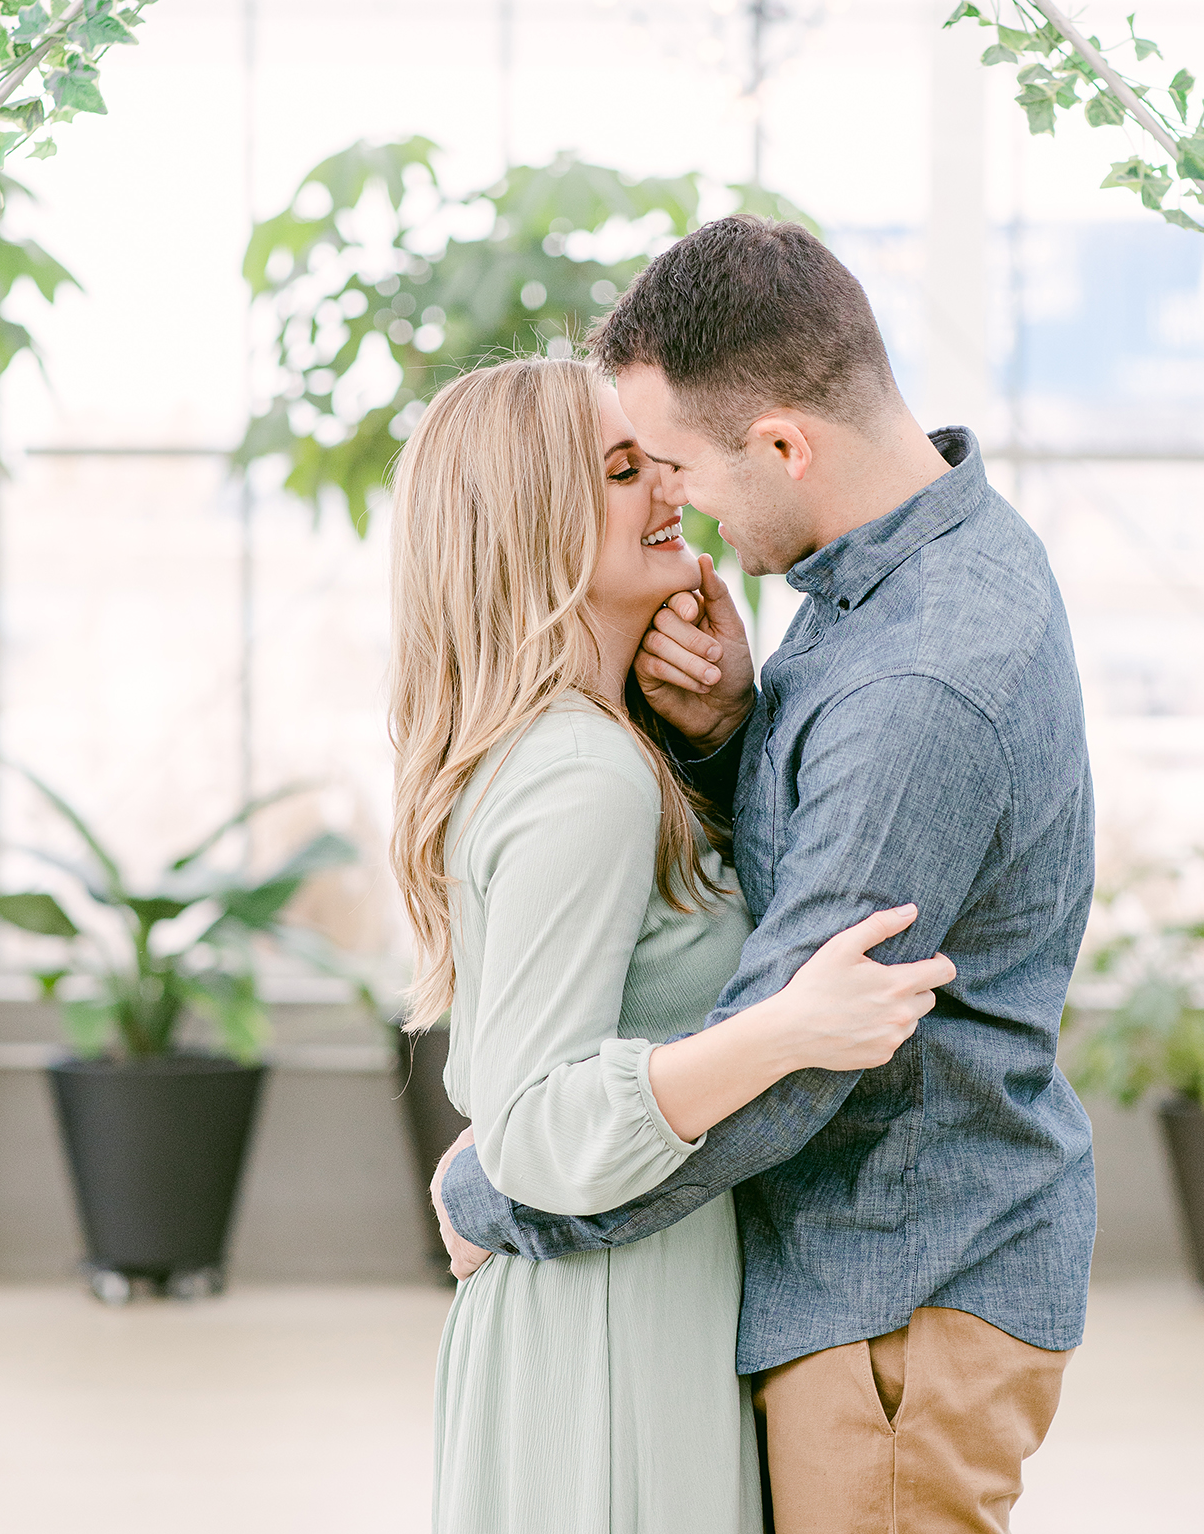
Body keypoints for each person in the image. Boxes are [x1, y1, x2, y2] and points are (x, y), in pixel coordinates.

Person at [440, 217, 1097, 1533]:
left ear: (787, 443)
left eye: (671, 465)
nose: (674, 505)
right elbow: (833, 878)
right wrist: (743, 732)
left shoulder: (919, 679)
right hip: (871, 1267)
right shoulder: (897, 581)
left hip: (894, 1288)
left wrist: (507, 1197)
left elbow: (798, 1056)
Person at [388, 354, 954, 1534]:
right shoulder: (583, 775)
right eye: (622, 469)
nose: (673, 492)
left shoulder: (598, 751)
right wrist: (784, 1032)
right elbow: (537, 1128)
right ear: (530, 522)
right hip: (605, 1340)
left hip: (611, 1314)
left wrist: (721, 729)